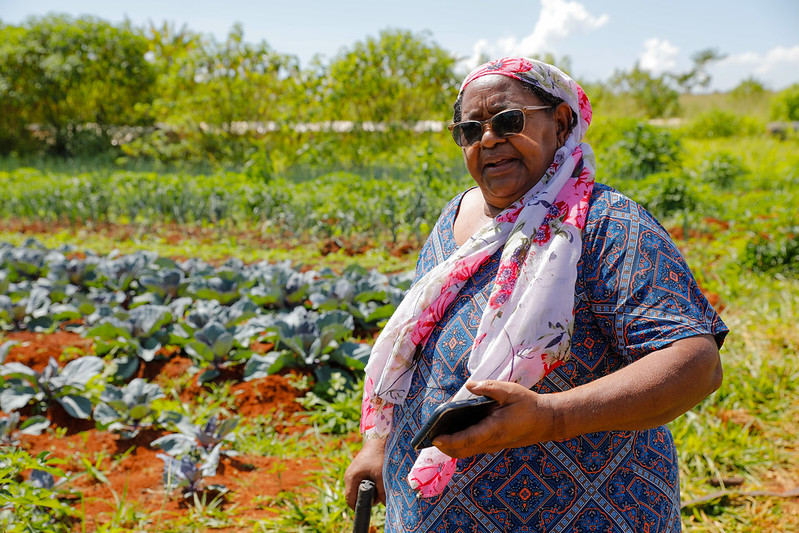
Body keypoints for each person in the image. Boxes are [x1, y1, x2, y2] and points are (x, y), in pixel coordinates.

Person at [345, 57, 727, 532]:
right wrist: (378, 444)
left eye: (508, 121)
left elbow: (695, 364)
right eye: (469, 130)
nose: (488, 139)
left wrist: (550, 418)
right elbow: (414, 351)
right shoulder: (454, 219)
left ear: (561, 121)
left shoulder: (608, 225)